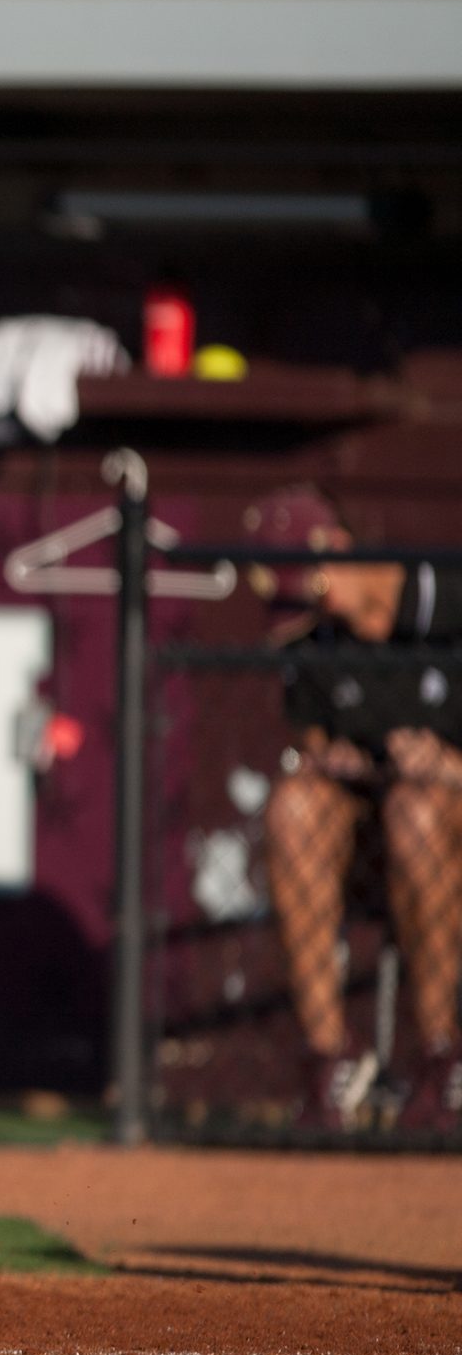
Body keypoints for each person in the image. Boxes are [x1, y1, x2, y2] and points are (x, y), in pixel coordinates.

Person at [245, 486, 462, 1135]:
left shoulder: (446, 596)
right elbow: (315, 746)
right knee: (294, 807)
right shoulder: (314, 648)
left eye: (312, 592)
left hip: (440, 825)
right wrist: (348, 764)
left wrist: (448, 767)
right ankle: (327, 1062)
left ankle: (442, 1059)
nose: (311, 613)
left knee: (419, 809)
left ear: (336, 552)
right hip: (376, 841)